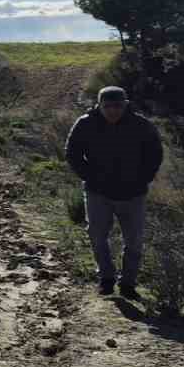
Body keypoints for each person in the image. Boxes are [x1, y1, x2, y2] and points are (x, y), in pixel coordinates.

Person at [65, 86, 163, 299]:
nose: (112, 110)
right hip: (98, 193)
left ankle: (128, 283)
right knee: (97, 236)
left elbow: (155, 153)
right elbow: (72, 153)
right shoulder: (85, 123)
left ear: (125, 104)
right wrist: (89, 176)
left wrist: (143, 179)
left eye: (117, 105)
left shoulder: (141, 125)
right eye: (107, 106)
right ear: (99, 105)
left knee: (134, 241)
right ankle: (106, 279)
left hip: (133, 193)